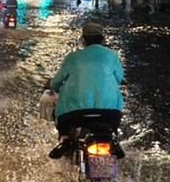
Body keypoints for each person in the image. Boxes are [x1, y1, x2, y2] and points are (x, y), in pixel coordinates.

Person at [47, 22, 124, 159]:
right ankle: (113, 140)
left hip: (75, 113)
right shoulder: (112, 56)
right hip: (110, 113)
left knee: (61, 120)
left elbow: (56, 83)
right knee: (112, 126)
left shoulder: (73, 57)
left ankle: (65, 140)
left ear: (83, 39)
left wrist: (51, 86)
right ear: (103, 39)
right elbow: (119, 78)